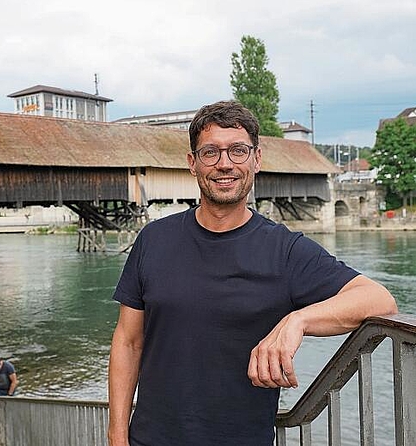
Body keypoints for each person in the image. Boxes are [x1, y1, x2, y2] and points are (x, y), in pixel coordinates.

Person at [107, 100, 398, 446]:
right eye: (210, 152)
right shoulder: (152, 240)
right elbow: (128, 341)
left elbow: (379, 300)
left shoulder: (285, 251)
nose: (224, 164)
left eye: (238, 151)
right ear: (192, 163)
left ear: (257, 159)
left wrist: (298, 321)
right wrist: (117, 433)